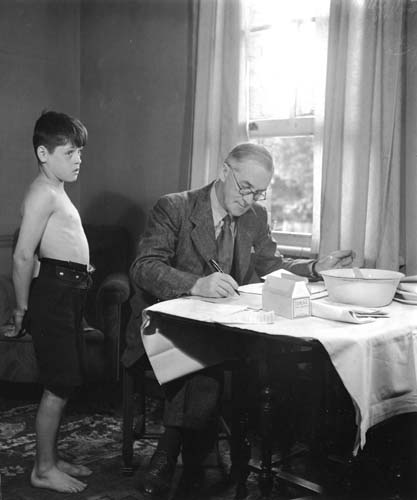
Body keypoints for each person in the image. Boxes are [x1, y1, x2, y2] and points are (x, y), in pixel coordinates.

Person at [124, 142, 354, 498]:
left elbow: (272, 267)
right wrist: (196, 283)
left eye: (259, 192)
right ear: (223, 171)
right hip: (170, 327)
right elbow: (144, 267)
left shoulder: (256, 217)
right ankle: (178, 455)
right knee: (203, 360)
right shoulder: (176, 207)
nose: (249, 199)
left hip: (225, 328)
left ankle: (180, 454)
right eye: (245, 187)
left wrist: (313, 268)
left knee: (231, 357)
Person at [12, 110, 92, 493]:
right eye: (69, 153)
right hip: (54, 297)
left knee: (65, 381)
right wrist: (21, 307)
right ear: (43, 153)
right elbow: (24, 255)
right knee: (57, 385)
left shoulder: (57, 190)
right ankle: (42, 469)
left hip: (69, 294)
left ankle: (52, 458)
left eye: (79, 152)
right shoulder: (42, 193)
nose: (78, 160)